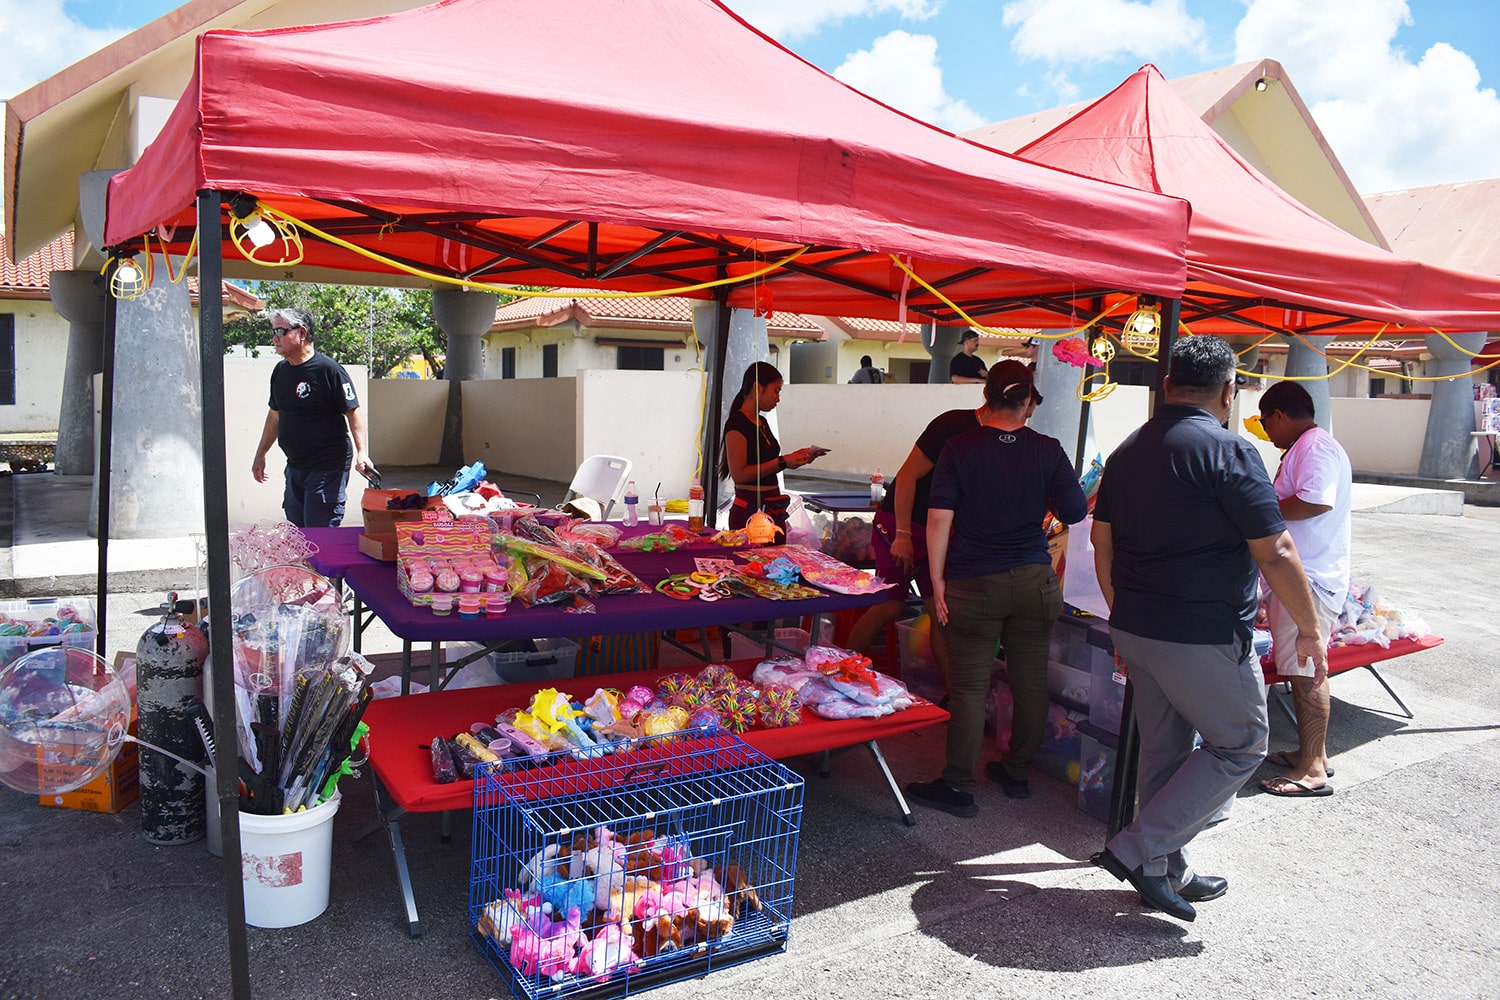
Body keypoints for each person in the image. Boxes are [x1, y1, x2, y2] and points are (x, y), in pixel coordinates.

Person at [1089, 334, 1328, 922]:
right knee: (1242, 743)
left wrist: (1122, 613)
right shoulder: (1230, 450)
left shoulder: (1127, 450)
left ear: (1167, 385)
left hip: (1138, 625)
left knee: (1165, 750)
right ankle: (1139, 849)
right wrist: (1311, 626)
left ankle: (1166, 866)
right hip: (1200, 632)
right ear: (1229, 390)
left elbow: (1102, 543)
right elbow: (1275, 549)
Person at [905, 360, 1087, 818]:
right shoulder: (1048, 449)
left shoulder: (960, 447)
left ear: (987, 398)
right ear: (1027, 400)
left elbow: (939, 518)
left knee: (968, 687)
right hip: (1034, 581)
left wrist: (939, 580)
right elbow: (1076, 510)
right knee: (1030, 681)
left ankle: (958, 786)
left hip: (973, 581)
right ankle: (1018, 773)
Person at [843, 392, 989, 689]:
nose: (1023, 419)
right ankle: (838, 672)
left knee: (941, 613)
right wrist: (903, 535)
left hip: (939, 532)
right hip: (902, 523)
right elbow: (908, 475)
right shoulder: (951, 424)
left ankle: (956, 698)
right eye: (1023, 412)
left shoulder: (1001, 440)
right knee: (890, 606)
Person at [1257, 380, 1351, 798]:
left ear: (1279, 414)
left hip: (1308, 578)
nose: (1267, 431)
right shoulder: (1306, 446)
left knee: (1306, 669)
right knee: (1301, 669)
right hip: (1304, 576)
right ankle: (1311, 753)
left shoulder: (1314, 447)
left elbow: (1315, 501)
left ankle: (1312, 768)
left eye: (1265, 422)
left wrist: (1260, 513)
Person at [251, 307, 372, 528]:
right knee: (298, 533)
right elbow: (275, 415)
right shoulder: (280, 371)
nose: (275, 337)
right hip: (295, 466)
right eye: (273, 331)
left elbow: (353, 411)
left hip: (327, 467)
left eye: (281, 331)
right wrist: (261, 454)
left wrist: (362, 453)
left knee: (318, 534)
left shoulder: (329, 370)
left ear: (302, 333)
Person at [720, 362, 821, 537]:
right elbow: (740, 474)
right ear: (758, 388)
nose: (778, 398)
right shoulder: (737, 424)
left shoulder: (762, 422)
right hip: (750, 514)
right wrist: (782, 462)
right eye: (776, 391)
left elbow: (769, 462)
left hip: (773, 510)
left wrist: (795, 458)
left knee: (775, 563)